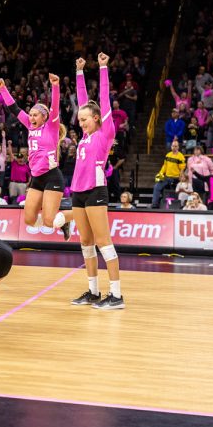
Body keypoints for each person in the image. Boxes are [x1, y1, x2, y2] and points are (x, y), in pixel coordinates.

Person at [69, 54, 124, 310]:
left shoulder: (105, 132)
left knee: (103, 242)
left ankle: (116, 295)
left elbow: (102, 100)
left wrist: (103, 68)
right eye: (79, 120)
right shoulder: (85, 134)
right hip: (78, 192)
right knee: (85, 243)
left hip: (95, 191)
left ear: (97, 119)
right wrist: (79, 72)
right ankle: (93, 291)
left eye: (85, 119)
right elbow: (83, 102)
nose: (81, 123)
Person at [0, 73, 69, 240]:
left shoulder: (51, 127)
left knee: (49, 221)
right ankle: (59, 220)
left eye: (36, 114)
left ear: (45, 117)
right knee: (29, 220)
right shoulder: (30, 125)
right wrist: (2, 89)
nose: (31, 117)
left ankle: (67, 219)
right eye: (30, 114)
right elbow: (14, 108)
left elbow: (55, 107)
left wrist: (56, 86)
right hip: (36, 178)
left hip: (52, 176)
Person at [151, 140, 185, 208]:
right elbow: (164, 166)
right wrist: (160, 174)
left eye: (175, 146)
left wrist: (180, 178)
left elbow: (182, 168)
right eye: (173, 146)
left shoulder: (181, 156)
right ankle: (154, 204)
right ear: (171, 146)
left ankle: (178, 206)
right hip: (166, 177)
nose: (174, 147)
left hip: (175, 178)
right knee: (156, 186)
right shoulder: (168, 155)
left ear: (178, 147)